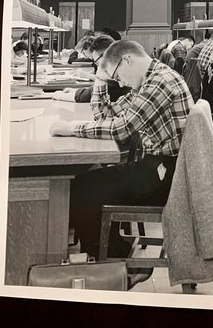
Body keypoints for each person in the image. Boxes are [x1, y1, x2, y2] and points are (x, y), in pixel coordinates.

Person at [50, 40, 194, 275]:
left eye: (117, 75)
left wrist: (71, 128)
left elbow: (121, 128)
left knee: (78, 190)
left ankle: (110, 265)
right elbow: (105, 113)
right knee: (84, 185)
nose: (120, 83)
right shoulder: (148, 80)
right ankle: (112, 255)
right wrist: (101, 78)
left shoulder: (160, 82)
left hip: (165, 177)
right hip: (156, 167)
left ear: (127, 60)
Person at [53, 35, 129, 104]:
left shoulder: (116, 75)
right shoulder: (120, 68)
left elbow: (91, 96)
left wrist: (58, 95)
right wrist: (77, 91)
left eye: (97, 62)